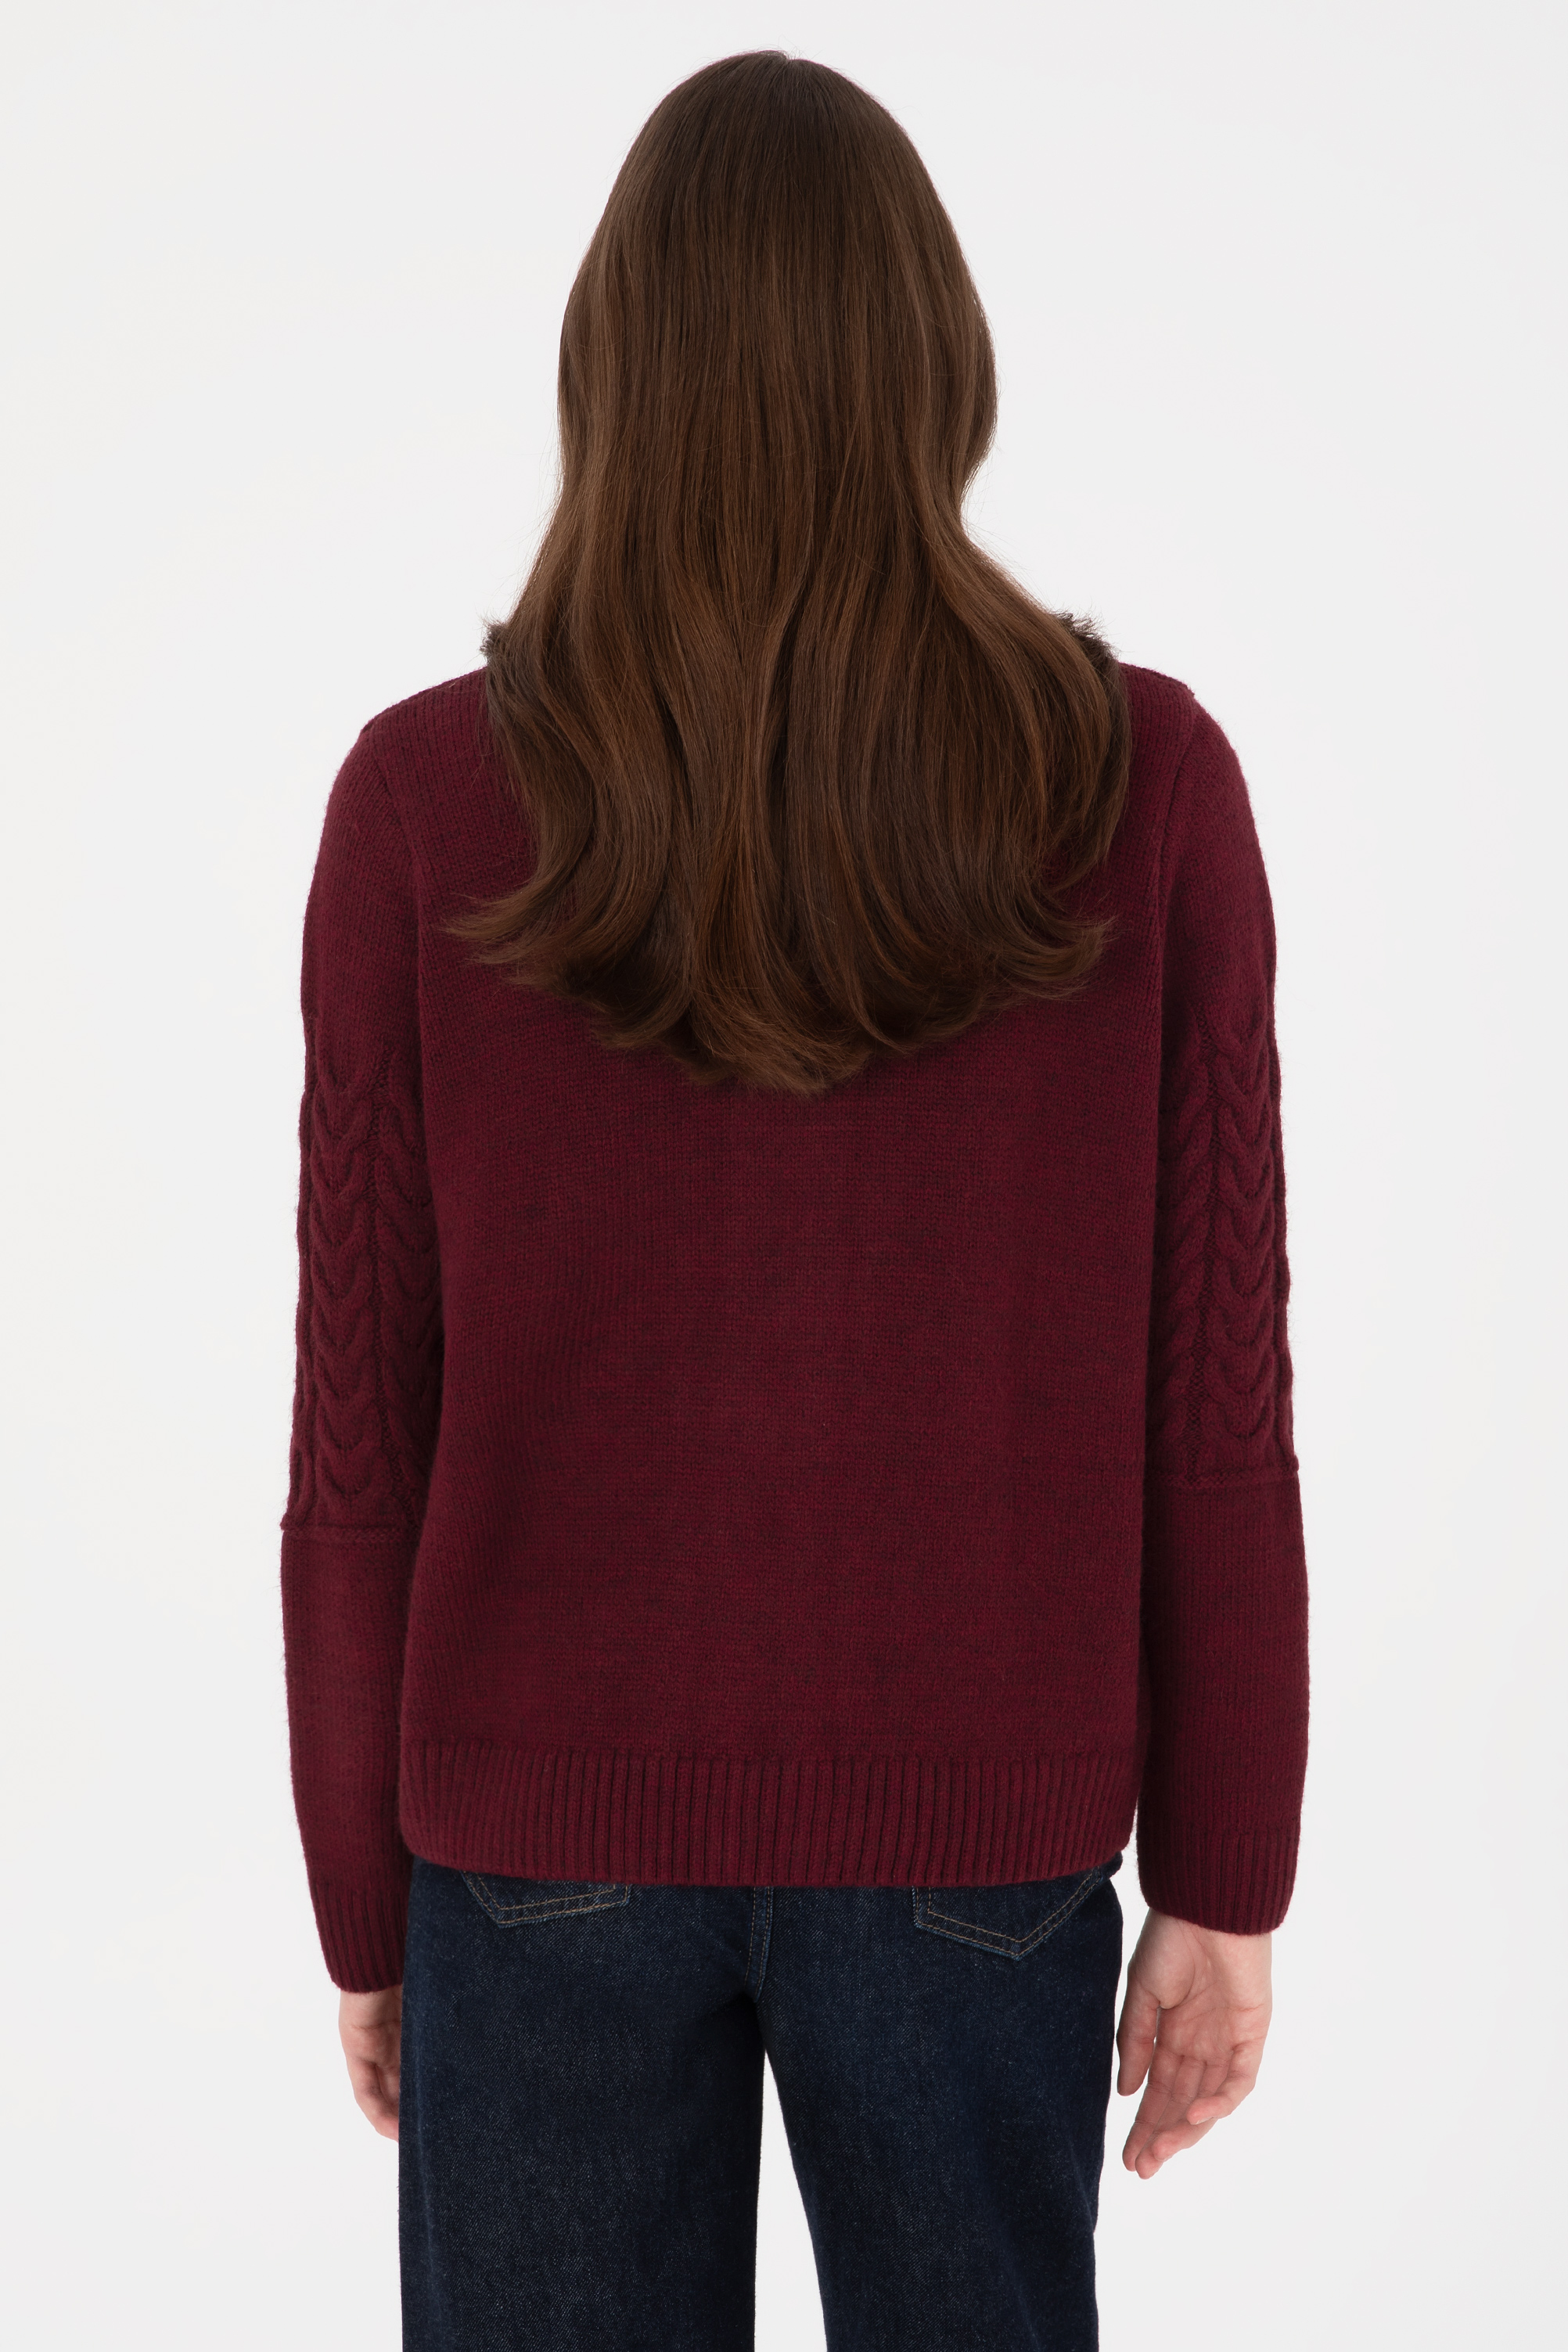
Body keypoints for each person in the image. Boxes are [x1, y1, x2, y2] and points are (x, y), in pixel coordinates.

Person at [281, 49, 1308, 2352]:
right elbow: (1213, 1388)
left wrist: (365, 1896)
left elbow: (359, 1426)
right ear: (934, 360)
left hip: (533, 1847)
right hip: (977, 1831)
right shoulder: (1138, 780)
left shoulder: (426, 799)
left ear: (606, 368)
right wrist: (1227, 1872)